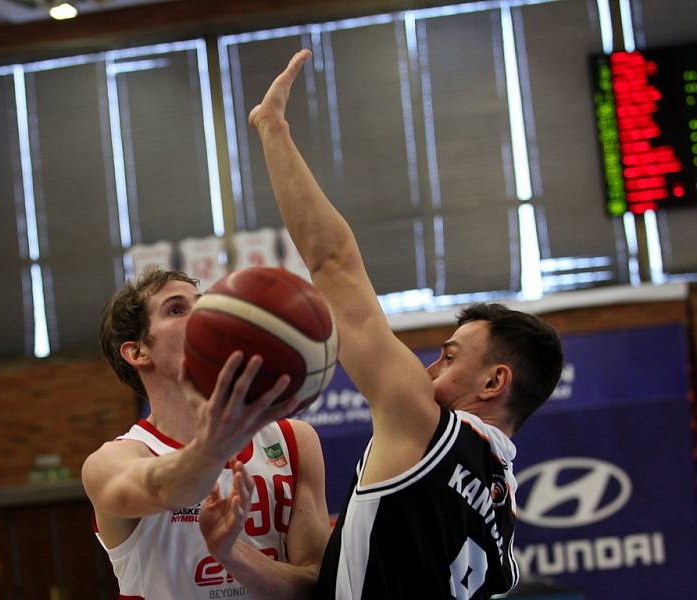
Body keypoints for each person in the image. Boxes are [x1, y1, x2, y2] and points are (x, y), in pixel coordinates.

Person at [243, 49, 564, 599]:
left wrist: (272, 129)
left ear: (494, 382)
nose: (429, 365)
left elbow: (332, 263)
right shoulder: (501, 510)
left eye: (450, 355)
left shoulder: (426, 425)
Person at [81, 268, 331, 599]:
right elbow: (161, 488)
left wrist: (232, 555)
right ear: (138, 352)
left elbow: (316, 585)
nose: (201, 314)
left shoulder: (293, 440)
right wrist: (214, 447)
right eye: (176, 309)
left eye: (203, 303)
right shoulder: (113, 461)